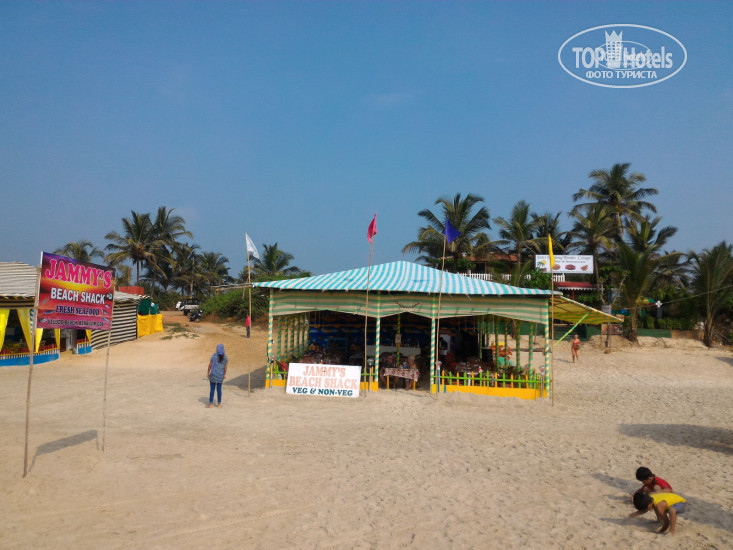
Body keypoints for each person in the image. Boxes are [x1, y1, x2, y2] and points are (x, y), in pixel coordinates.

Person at [206, 344, 228, 408]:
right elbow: (225, 368)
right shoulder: (226, 358)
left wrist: (208, 372)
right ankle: (219, 404)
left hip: (213, 375)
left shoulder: (214, 356)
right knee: (219, 389)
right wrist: (224, 374)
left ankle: (211, 404)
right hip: (220, 376)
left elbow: (210, 365)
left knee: (212, 389)